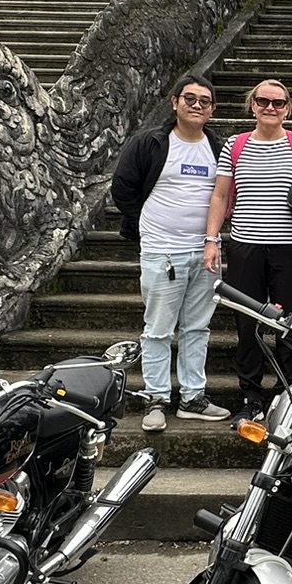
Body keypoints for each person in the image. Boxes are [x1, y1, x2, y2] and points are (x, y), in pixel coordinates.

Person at [202, 78, 292, 426]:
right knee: (246, 324)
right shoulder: (234, 146)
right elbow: (220, 196)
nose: (271, 108)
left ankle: (289, 395)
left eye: (278, 103)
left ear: (288, 108)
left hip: (289, 249)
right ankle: (251, 397)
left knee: (290, 324)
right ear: (252, 105)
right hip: (244, 246)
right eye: (264, 101)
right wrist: (212, 239)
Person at [110, 75, 231, 431]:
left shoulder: (217, 147)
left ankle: (193, 397)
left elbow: (224, 193)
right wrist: (148, 223)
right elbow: (123, 188)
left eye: (204, 101)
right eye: (190, 99)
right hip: (162, 250)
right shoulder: (151, 142)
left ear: (212, 109)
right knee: (158, 330)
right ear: (175, 102)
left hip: (206, 250)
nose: (197, 105)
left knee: (198, 328)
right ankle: (157, 398)